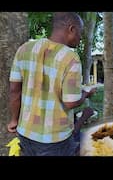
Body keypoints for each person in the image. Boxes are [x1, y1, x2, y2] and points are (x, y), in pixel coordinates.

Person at [7, 12, 96, 156]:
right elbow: (70, 102)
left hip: (25, 134)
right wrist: (86, 93)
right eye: (80, 33)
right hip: (55, 140)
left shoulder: (24, 49)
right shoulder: (70, 58)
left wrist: (13, 120)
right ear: (71, 29)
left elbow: (14, 90)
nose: (80, 38)